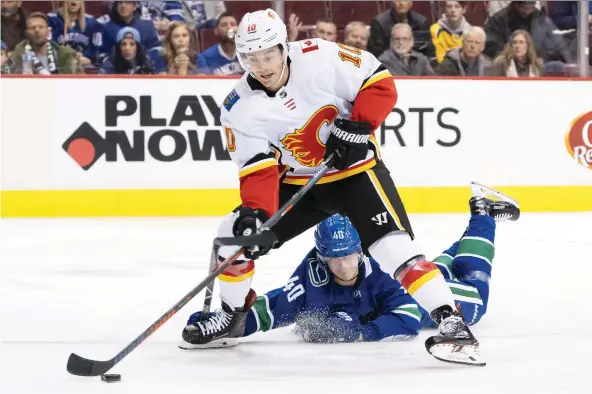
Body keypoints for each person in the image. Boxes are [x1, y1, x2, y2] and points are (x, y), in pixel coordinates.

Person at [179, 9, 510, 366]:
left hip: (355, 172)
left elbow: (379, 81)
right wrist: (254, 212)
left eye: (268, 55)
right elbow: (256, 167)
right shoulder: (238, 106)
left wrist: (358, 125)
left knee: (391, 248)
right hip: (296, 183)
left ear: (283, 47)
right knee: (233, 232)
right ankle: (232, 315)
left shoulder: (319, 57)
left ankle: (452, 323)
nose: (262, 65)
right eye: (251, 58)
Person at [181, 183, 520, 349]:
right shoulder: (311, 276)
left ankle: (483, 214)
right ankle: (477, 226)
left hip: (417, 297)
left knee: (475, 292)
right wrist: (233, 324)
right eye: (334, 258)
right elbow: (274, 306)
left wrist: (360, 332)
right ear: (321, 257)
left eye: (349, 255)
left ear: (361, 250)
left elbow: (407, 318)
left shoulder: (384, 267)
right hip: (400, 291)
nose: (343, 264)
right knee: (441, 266)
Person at [47, 1, 103, 66]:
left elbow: (95, 51)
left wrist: (86, 56)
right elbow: (48, 47)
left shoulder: (91, 22)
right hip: (60, 63)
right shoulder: (52, 20)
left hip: (83, 64)